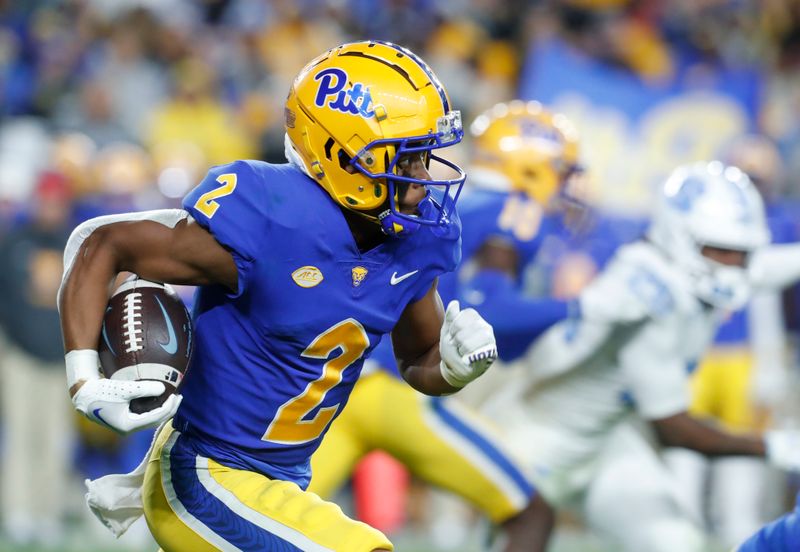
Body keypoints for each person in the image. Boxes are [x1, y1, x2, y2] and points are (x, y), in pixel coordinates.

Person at [58, 41, 499, 552]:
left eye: (424, 159)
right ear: (344, 156)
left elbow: (418, 357)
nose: (422, 181)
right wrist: (84, 380)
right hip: (205, 474)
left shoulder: (415, 239)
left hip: (283, 481)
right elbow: (104, 242)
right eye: (406, 160)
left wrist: (454, 368)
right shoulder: (273, 217)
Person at [480, 161, 800, 552]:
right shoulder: (649, 295)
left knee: (674, 542)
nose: (732, 264)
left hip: (608, 441)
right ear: (679, 237)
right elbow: (673, 428)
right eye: (720, 250)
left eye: (741, 253)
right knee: (521, 539)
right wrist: (776, 447)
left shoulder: (705, 267)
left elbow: (767, 265)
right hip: (539, 439)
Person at [308, 101, 583, 550]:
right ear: (531, 167)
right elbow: (489, 306)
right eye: (560, 169)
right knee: (530, 510)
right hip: (404, 386)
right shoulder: (514, 210)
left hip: (342, 383)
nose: (567, 183)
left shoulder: (449, 200)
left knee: (270, 517)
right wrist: (578, 309)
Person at [0, 171, 75, 547]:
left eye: (56, 201)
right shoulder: (13, 242)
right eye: (45, 200)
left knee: (55, 439)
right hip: (20, 356)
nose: (50, 208)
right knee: (20, 437)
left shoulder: (74, 246)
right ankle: (18, 510)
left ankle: (47, 511)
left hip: (61, 358)